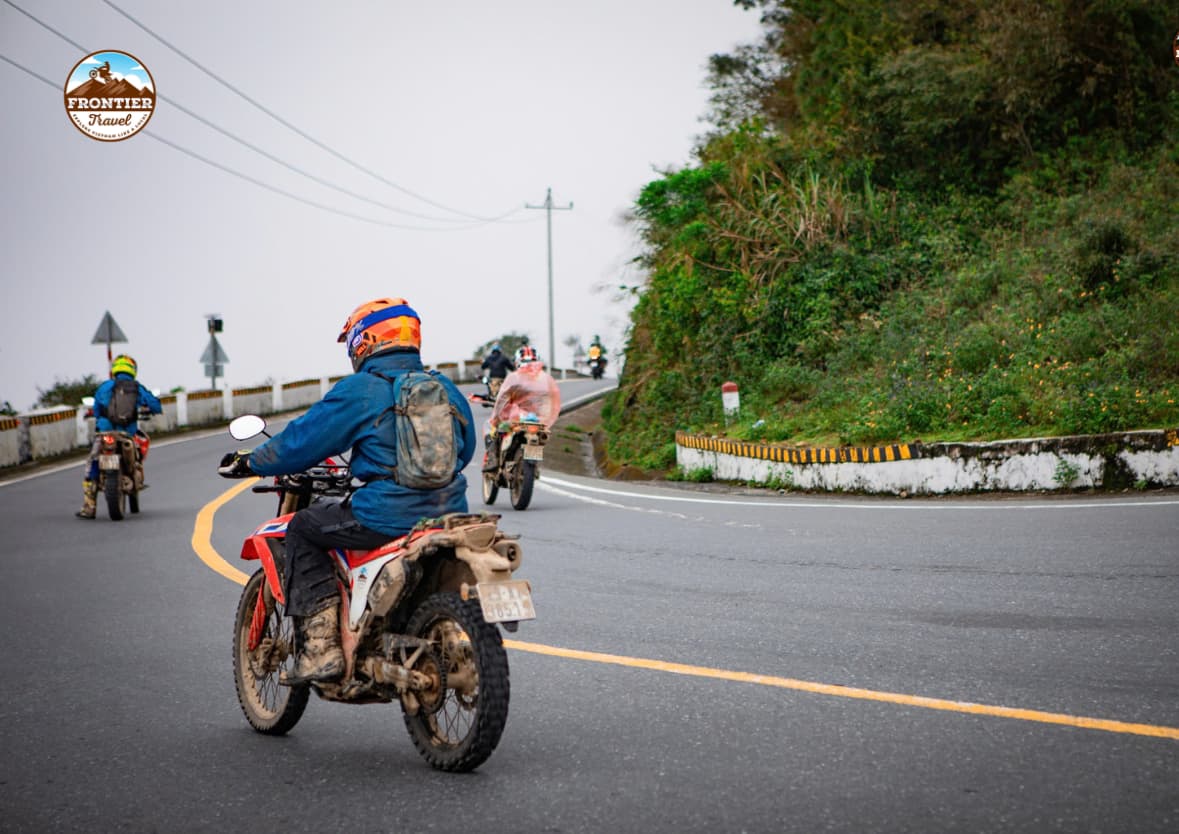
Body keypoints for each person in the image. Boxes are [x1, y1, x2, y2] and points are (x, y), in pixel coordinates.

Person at [218, 298, 476, 686]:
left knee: (304, 527)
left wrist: (253, 461)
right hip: (449, 511)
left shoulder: (362, 389)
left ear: (364, 340)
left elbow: (301, 441)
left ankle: (321, 648)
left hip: (386, 515)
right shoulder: (444, 388)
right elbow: (466, 449)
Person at [76, 354, 163, 519]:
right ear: (132, 370)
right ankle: (135, 481)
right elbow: (155, 405)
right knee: (136, 457)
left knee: (92, 465)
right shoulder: (136, 388)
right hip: (126, 435)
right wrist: (149, 409)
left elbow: (96, 409)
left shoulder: (105, 387)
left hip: (104, 434)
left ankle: (89, 506)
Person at [483, 345, 561, 472]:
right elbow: (553, 402)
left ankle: (493, 460)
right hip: (537, 421)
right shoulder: (545, 379)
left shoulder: (514, 379)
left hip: (516, 420)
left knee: (492, 428)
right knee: (540, 436)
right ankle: (533, 466)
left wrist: (496, 417)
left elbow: (501, 400)